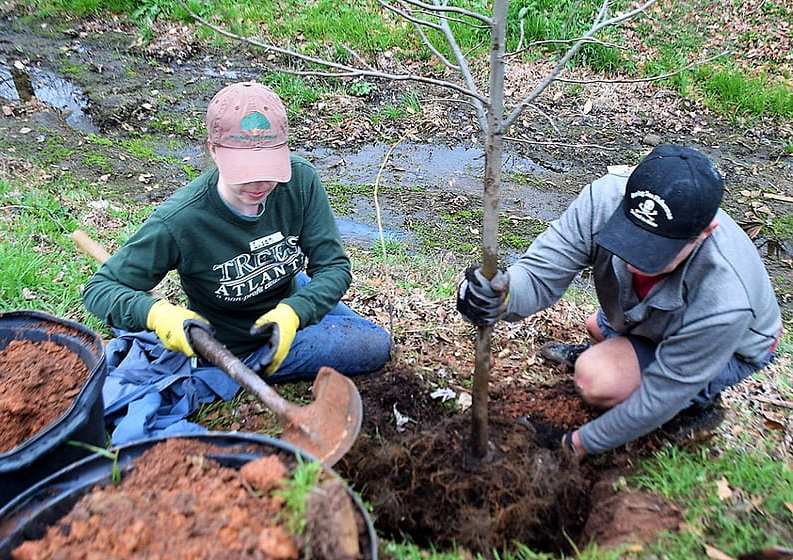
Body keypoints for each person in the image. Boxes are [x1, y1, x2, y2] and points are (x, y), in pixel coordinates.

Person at [83, 81, 391, 442]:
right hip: (241, 342)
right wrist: (157, 315)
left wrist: (295, 312)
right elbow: (99, 289)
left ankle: (295, 324)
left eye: (269, 167)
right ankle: (265, 361)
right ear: (214, 150)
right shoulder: (181, 220)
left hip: (288, 297)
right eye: (245, 170)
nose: (259, 183)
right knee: (374, 346)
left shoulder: (300, 180)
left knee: (377, 340)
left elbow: (334, 267)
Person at [456, 144, 781, 459]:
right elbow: (540, 276)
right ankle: (628, 354)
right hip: (647, 317)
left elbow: (659, 395)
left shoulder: (726, 298)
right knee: (596, 327)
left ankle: (698, 404)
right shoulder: (604, 199)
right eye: (631, 235)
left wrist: (575, 444)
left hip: (731, 348)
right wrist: (499, 295)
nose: (632, 260)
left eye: (654, 250)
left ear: (706, 232)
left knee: (596, 378)